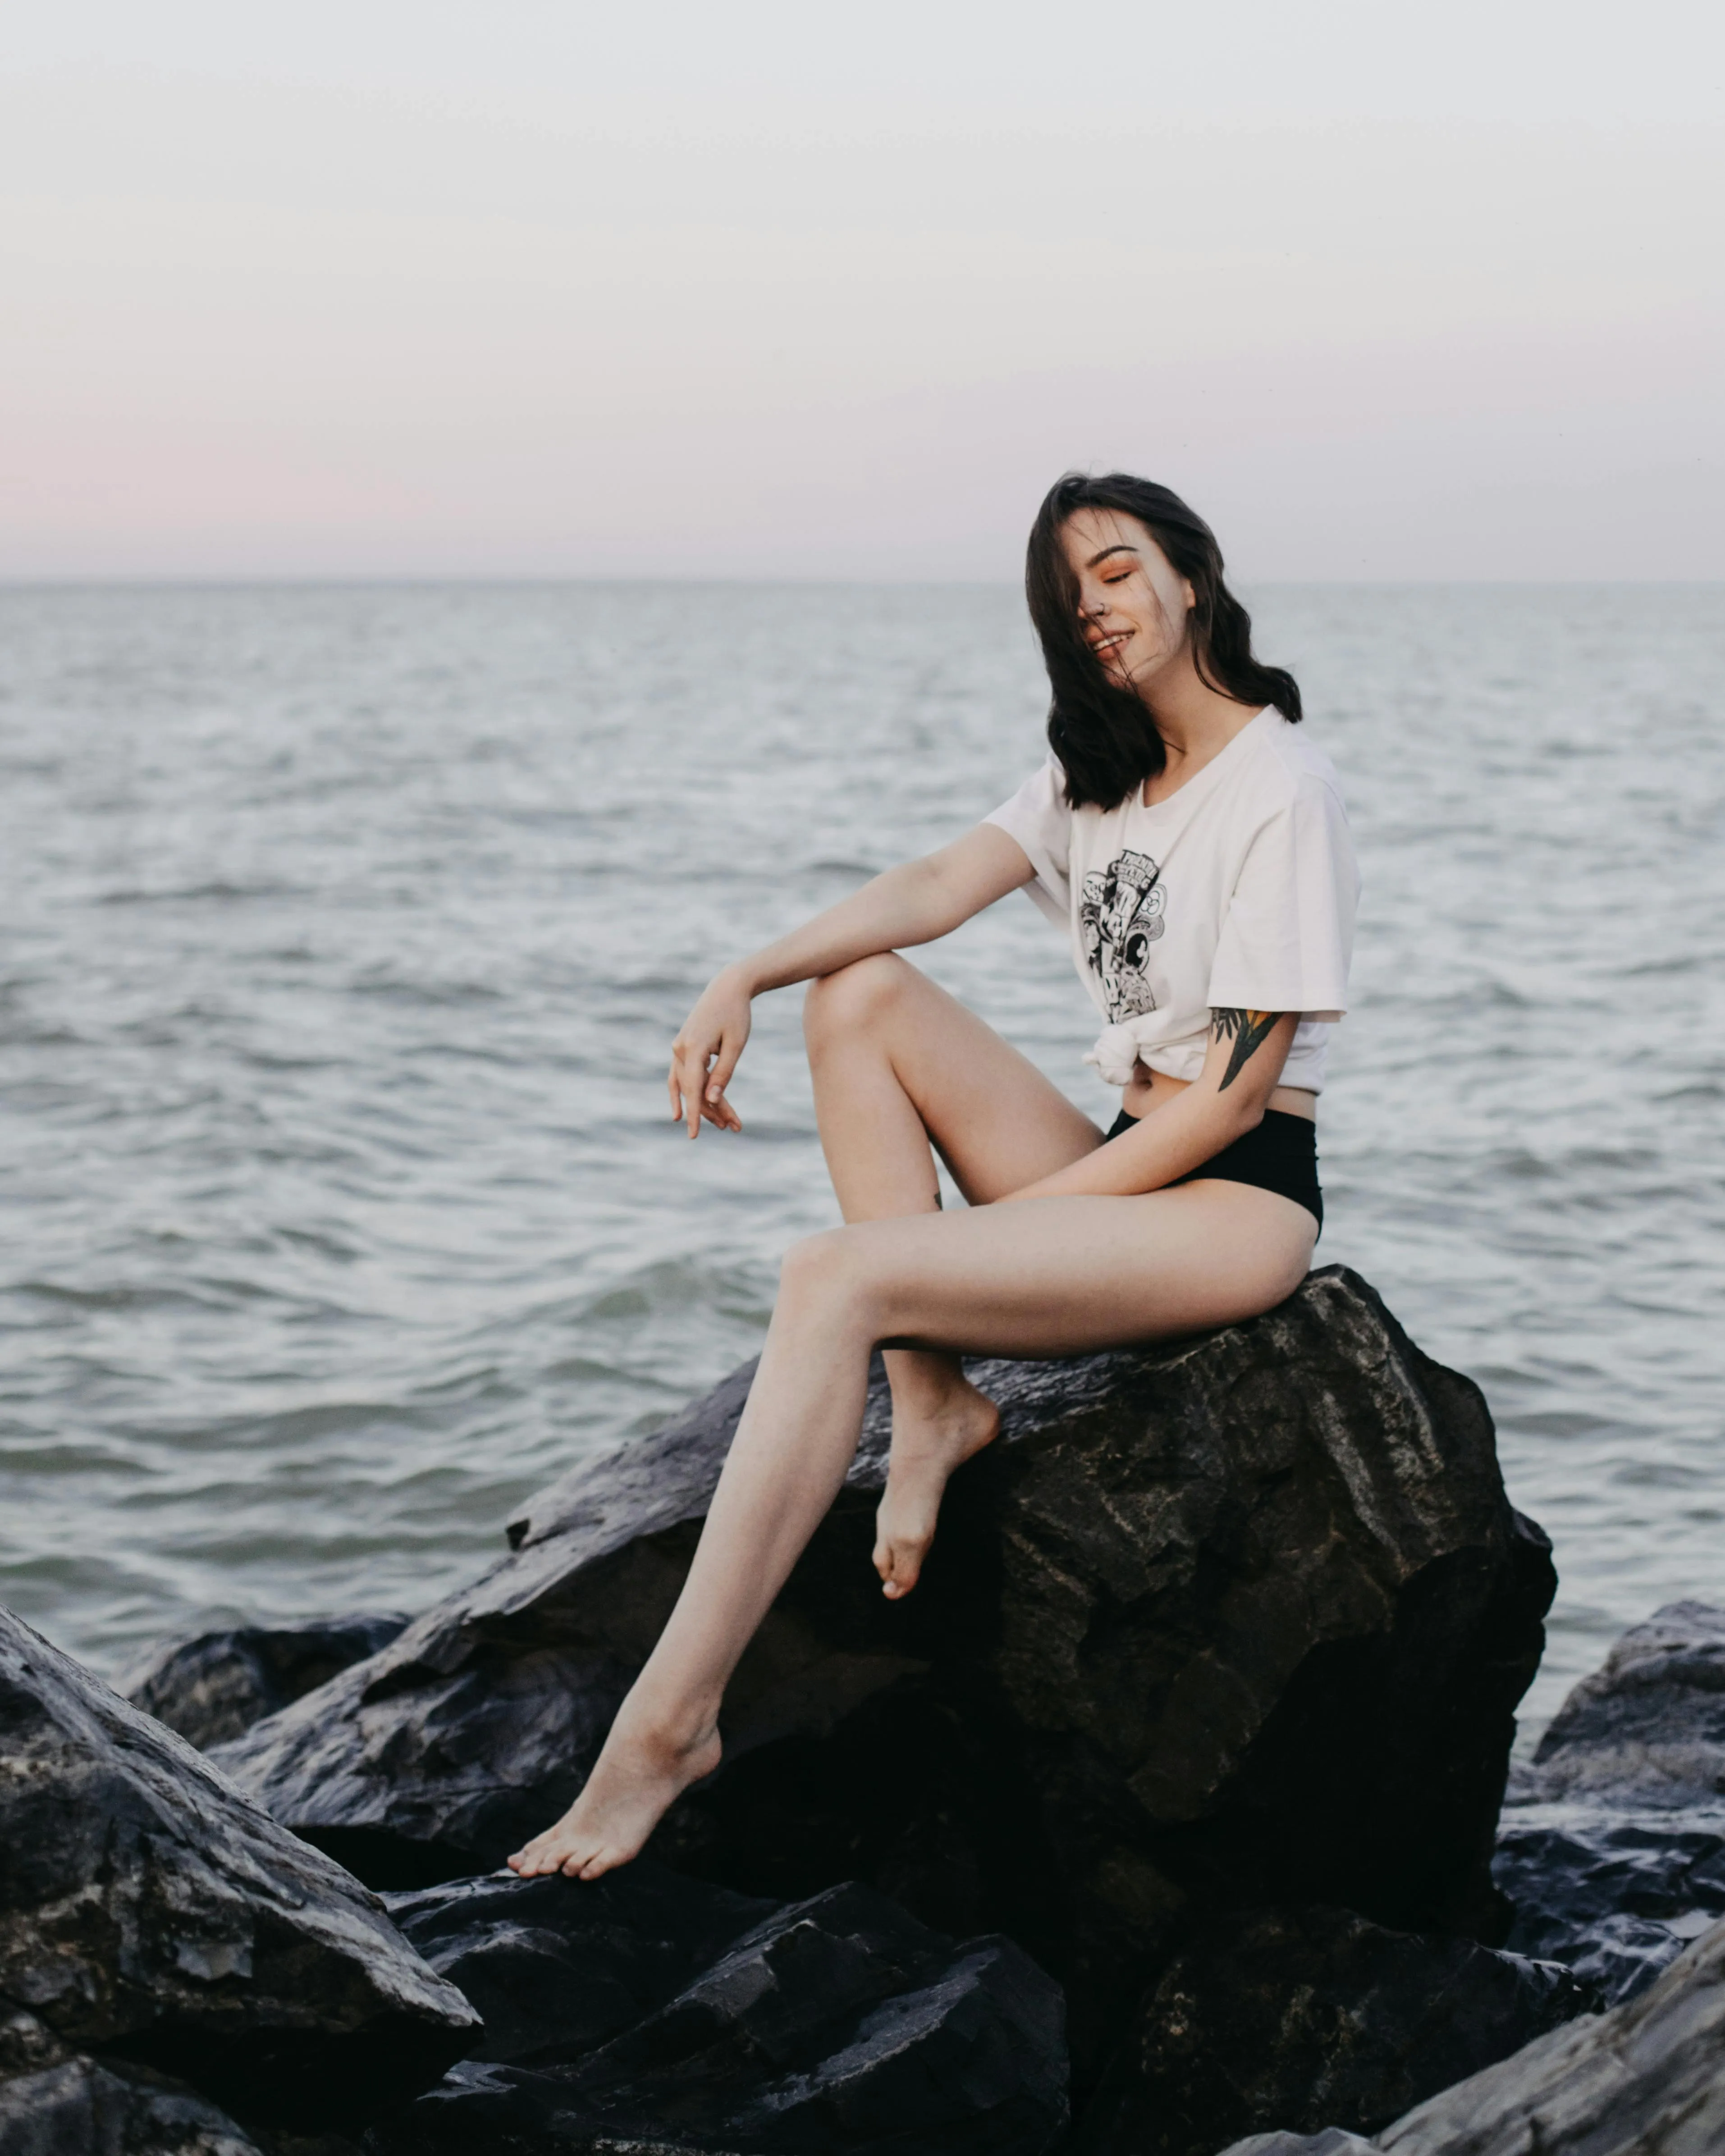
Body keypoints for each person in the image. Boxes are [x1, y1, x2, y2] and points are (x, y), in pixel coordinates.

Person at [508, 471, 1359, 1882]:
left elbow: (1228, 1107)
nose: (1096, 608)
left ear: (1192, 576)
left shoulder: (1281, 786)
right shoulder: (1105, 774)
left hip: (1232, 1200)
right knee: (854, 995)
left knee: (836, 1276)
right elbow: (925, 889)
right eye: (1069, 591)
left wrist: (996, 1238)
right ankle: (933, 1407)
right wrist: (747, 971)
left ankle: (665, 1731)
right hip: (1121, 1162)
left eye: (1119, 569)